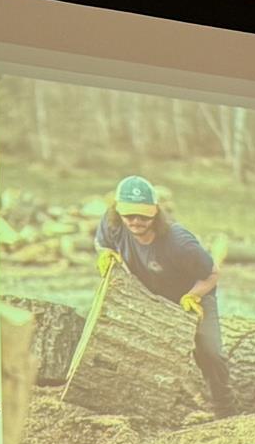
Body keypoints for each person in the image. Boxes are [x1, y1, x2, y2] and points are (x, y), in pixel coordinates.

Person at [94, 175, 233, 414]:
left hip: (192, 295)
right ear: (118, 211)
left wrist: (193, 296)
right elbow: (101, 243)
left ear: (155, 212)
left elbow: (212, 273)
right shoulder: (113, 223)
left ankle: (226, 407)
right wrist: (105, 254)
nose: (136, 221)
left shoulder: (179, 242)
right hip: (149, 290)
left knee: (210, 352)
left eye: (143, 216)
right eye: (129, 215)